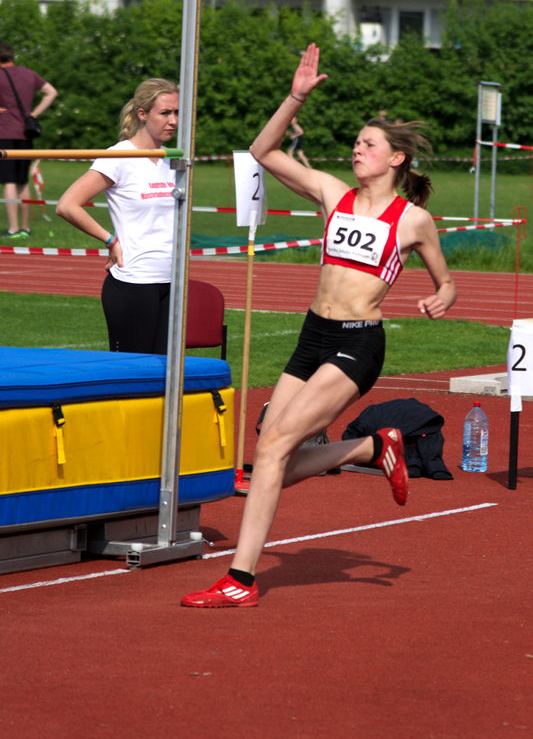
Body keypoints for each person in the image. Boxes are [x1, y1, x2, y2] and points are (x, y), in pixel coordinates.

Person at [181, 43, 457, 608]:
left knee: (278, 446)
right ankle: (368, 449)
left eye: (369, 143)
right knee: (270, 454)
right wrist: (295, 96)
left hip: (359, 343)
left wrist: (442, 297)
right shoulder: (333, 194)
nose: (358, 149)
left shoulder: (414, 220)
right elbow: (262, 150)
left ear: (396, 159)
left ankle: (241, 580)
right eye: (355, 142)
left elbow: (447, 282)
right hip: (314, 334)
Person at [56, 78, 179, 354]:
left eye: (176, 112)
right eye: (165, 113)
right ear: (142, 114)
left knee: (164, 377)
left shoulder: (172, 158)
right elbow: (67, 205)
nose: (173, 120)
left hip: (172, 281)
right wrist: (110, 240)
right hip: (134, 283)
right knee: (133, 375)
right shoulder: (119, 156)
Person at [0, 42, 58, 238]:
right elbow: (51, 92)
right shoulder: (28, 74)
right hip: (26, 132)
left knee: (8, 181)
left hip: (4, 132)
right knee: (22, 181)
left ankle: (13, 228)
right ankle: (25, 227)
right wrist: (33, 114)